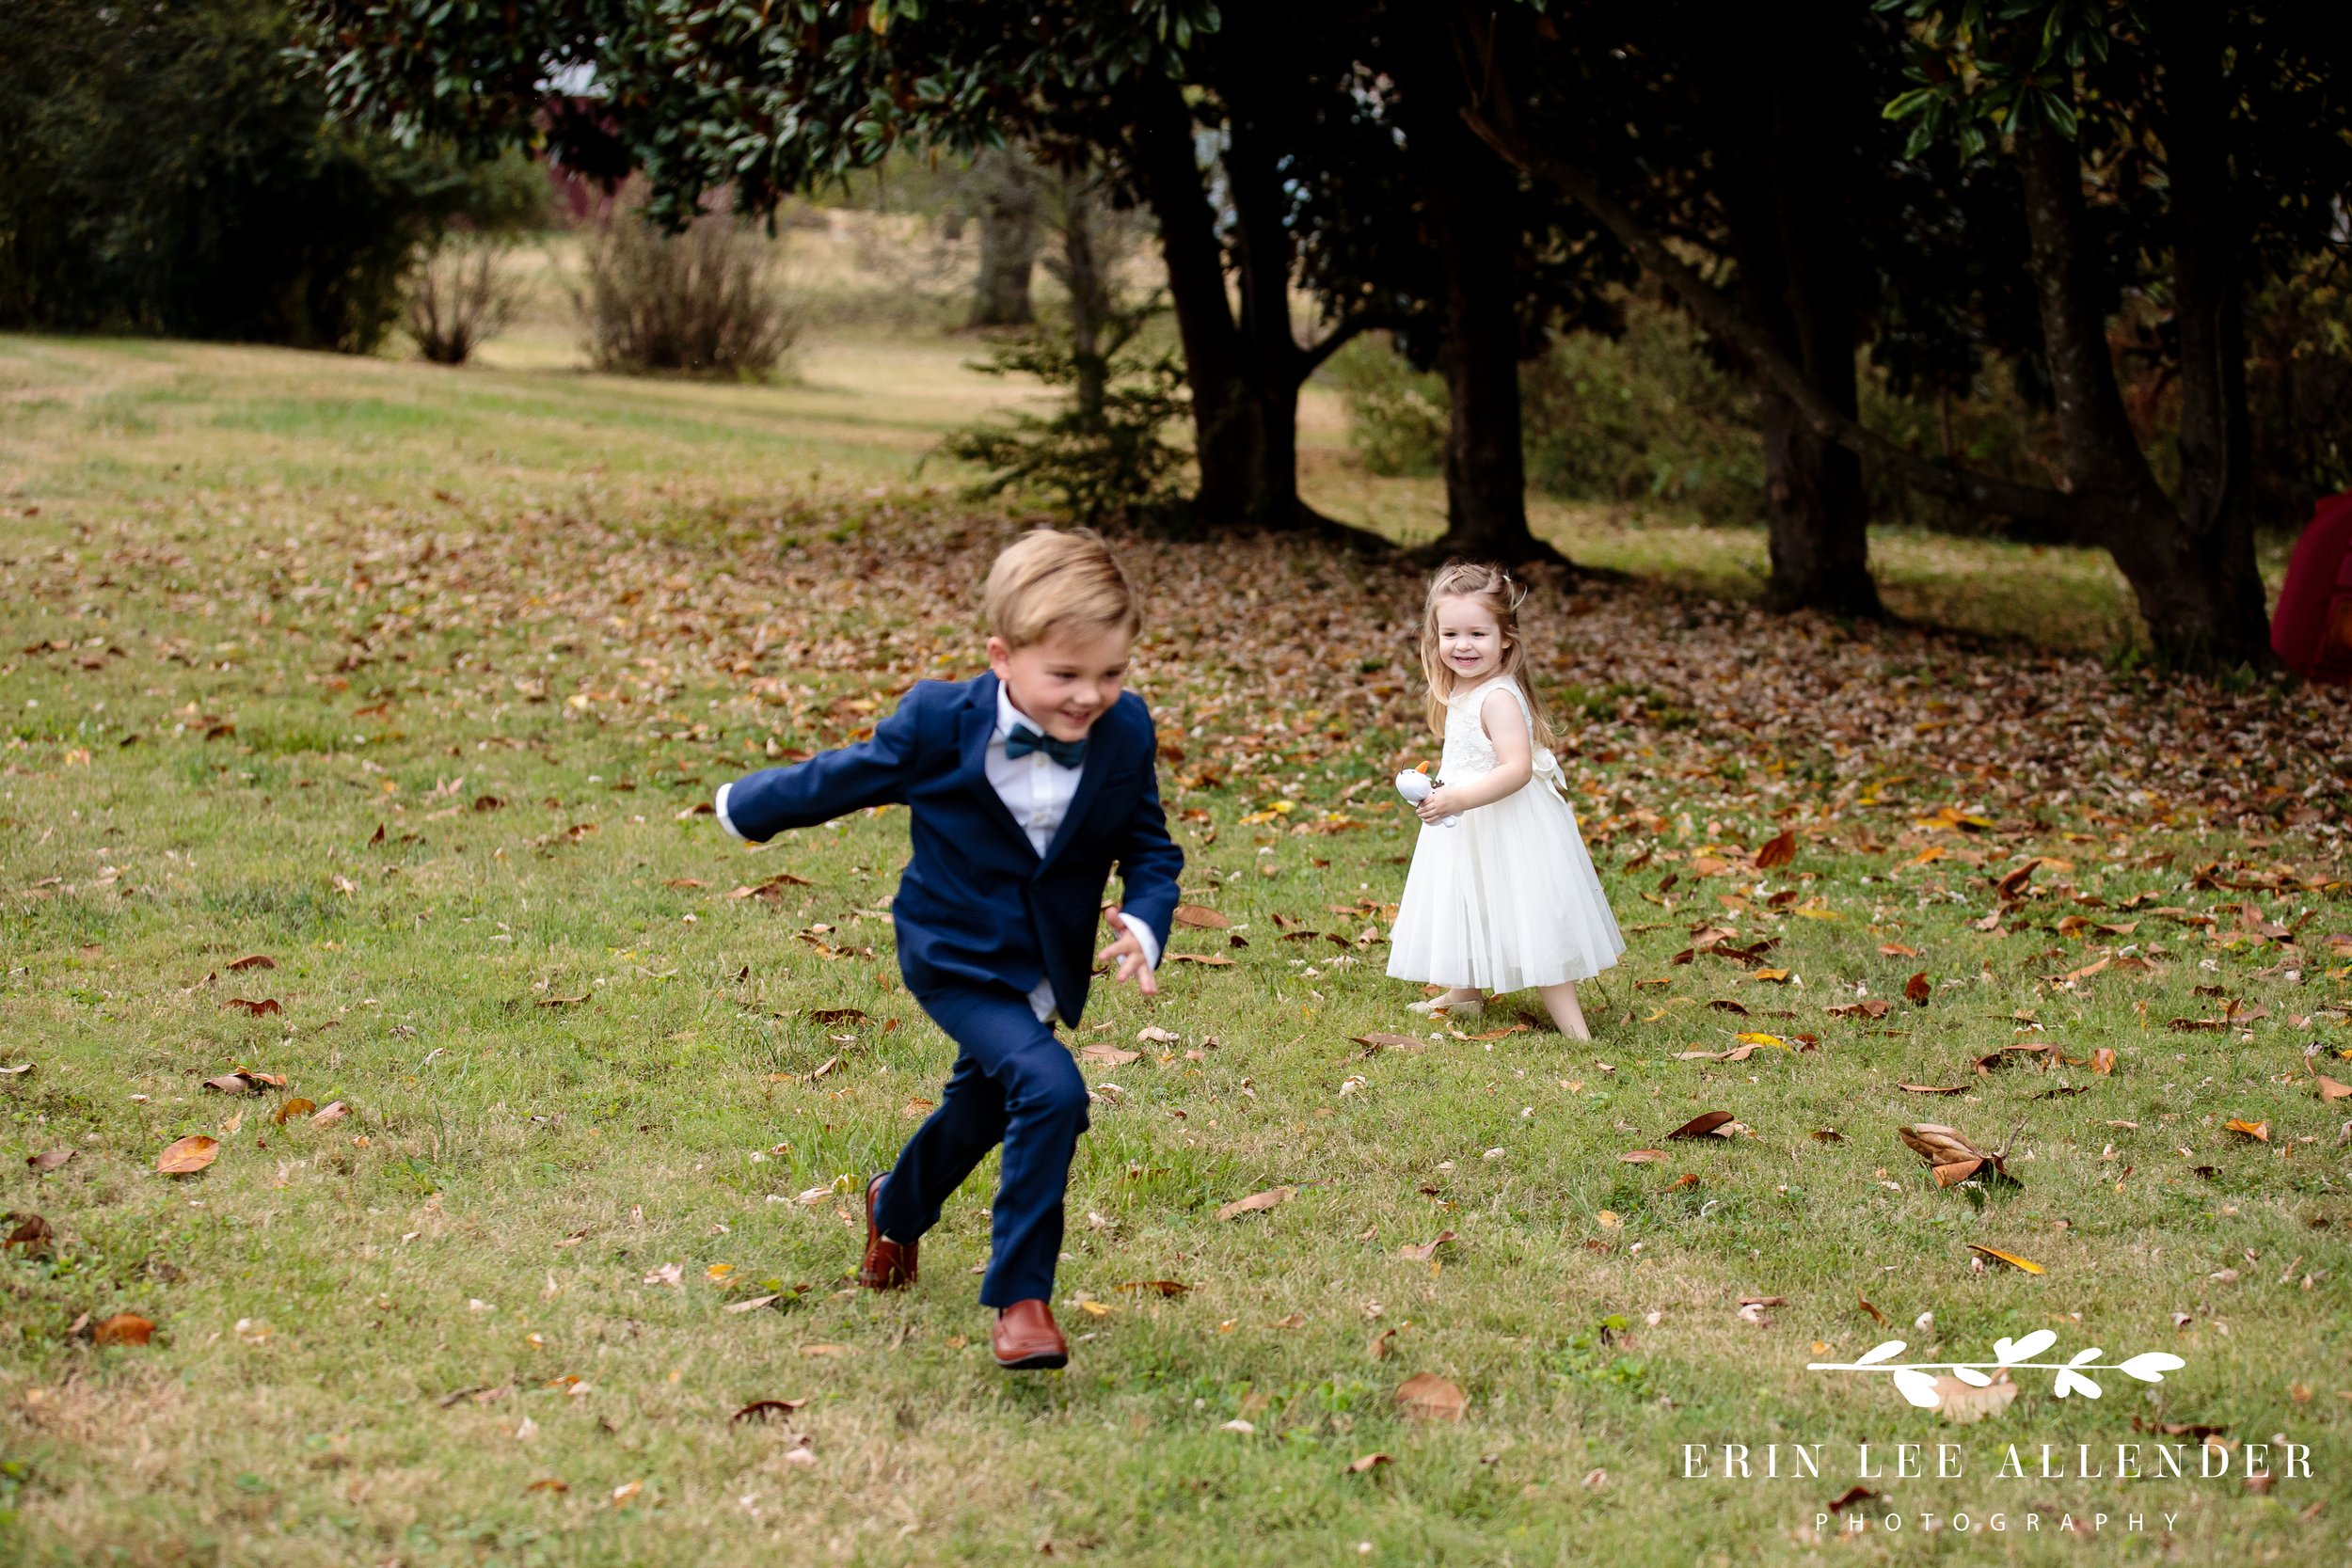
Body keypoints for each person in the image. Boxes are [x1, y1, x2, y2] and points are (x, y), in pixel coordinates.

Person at [713, 530, 1181, 1370]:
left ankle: (896, 1207)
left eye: (1111, 674)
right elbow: (846, 775)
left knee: (983, 1107)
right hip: (955, 952)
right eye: (1066, 676)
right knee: (1050, 1090)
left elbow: (1149, 845)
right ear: (1003, 656)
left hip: (1045, 961)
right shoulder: (939, 721)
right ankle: (1021, 1296)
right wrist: (746, 806)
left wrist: (1146, 921)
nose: (1091, 697)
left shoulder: (1125, 730)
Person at [1386, 561, 1623, 1039]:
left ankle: (1575, 1028)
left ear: (1506, 638)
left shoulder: (1497, 696)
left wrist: (1457, 799)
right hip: (1468, 815)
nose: (1463, 645)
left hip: (1506, 820)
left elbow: (1515, 769)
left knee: (1530, 911)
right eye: (1450, 634)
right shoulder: (1461, 687)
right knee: (1465, 898)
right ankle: (1464, 993)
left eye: (1478, 633)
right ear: (1435, 638)